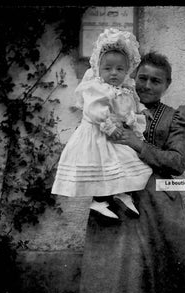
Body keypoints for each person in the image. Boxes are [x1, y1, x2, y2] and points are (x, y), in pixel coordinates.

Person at [77, 51, 185, 293]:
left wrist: (138, 144)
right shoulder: (114, 102)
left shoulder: (175, 117)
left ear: (167, 85)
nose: (147, 85)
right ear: (133, 77)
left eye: (156, 81)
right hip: (116, 199)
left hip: (159, 206)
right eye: (142, 78)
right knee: (116, 270)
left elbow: (177, 163)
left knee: (157, 273)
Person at [51, 28, 152, 219]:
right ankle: (99, 201)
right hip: (98, 135)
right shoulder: (97, 88)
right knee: (102, 167)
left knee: (129, 161)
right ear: (99, 68)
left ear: (127, 70)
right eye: (108, 68)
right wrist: (110, 126)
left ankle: (123, 193)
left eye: (119, 69)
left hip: (115, 135)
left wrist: (140, 112)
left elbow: (131, 106)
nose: (113, 73)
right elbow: (94, 110)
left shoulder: (125, 89)